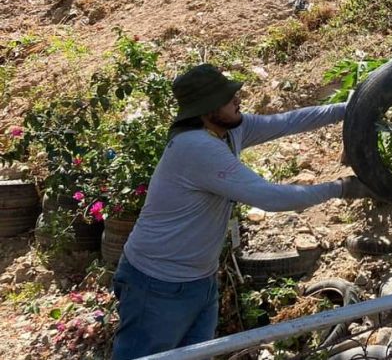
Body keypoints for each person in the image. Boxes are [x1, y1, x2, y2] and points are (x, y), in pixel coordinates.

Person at [111, 64, 375, 360]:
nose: (238, 99)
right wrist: (340, 188)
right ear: (206, 109)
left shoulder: (227, 130)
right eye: (228, 97)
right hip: (157, 285)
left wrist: (351, 107)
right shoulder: (196, 147)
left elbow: (288, 121)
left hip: (199, 281)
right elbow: (270, 197)